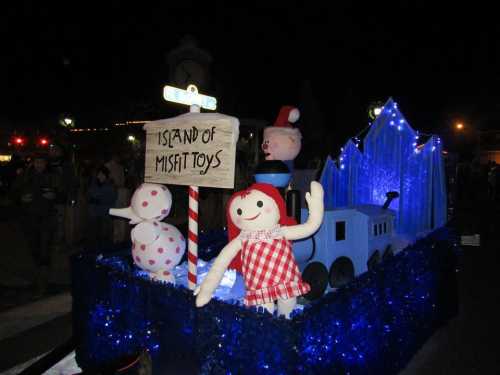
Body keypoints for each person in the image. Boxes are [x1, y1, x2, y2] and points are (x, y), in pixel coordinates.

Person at [13, 152, 59, 297]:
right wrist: (21, 198)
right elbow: (13, 193)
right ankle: (39, 275)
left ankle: (43, 283)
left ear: (46, 164)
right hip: (30, 218)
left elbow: (64, 192)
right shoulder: (25, 176)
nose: (39, 165)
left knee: (45, 248)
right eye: (37, 162)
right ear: (33, 163)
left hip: (47, 218)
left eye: (42, 162)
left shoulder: (52, 176)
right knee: (34, 248)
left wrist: (54, 196)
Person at [86, 166, 117, 251]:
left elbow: (109, 198)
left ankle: (104, 251)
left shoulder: (110, 186)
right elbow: (89, 195)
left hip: (105, 213)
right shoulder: (95, 184)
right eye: (98, 174)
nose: (99, 176)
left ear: (105, 175)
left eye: (101, 174)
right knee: (94, 234)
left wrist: (97, 198)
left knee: (105, 235)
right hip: (95, 213)